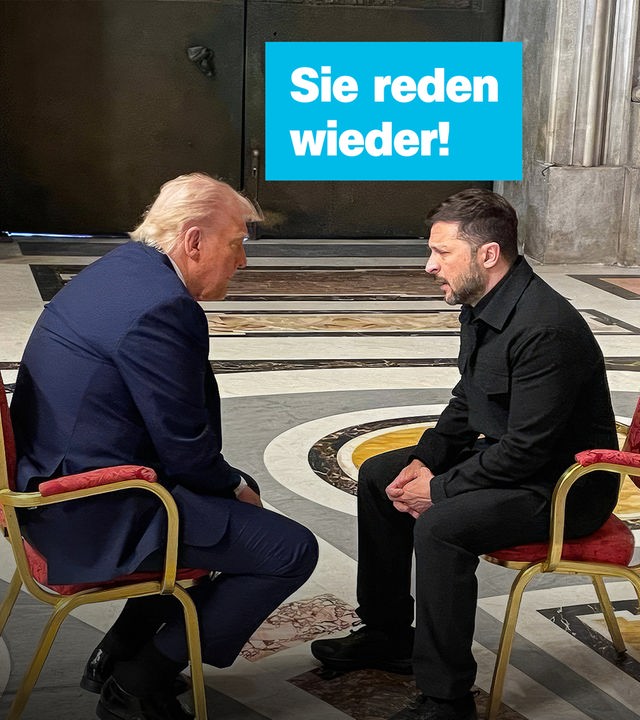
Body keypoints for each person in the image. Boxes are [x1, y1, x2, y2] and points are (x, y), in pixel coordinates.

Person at [10, 172, 319, 720]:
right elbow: (184, 447)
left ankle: (118, 652)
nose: (242, 261)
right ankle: (137, 681)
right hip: (90, 509)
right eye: (236, 243)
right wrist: (232, 488)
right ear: (194, 240)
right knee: (288, 550)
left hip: (55, 481)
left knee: (231, 503)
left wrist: (228, 485)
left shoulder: (118, 270)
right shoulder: (161, 306)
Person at [310, 189, 619, 720]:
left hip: (563, 487)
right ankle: (388, 633)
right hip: (514, 461)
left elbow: (528, 450)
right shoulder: (484, 303)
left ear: (488, 254)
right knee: (381, 474)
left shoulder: (545, 328)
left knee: (442, 526)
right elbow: (468, 398)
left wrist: (439, 489)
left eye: (441, 252)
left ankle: (446, 698)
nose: (429, 265)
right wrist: (426, 460)